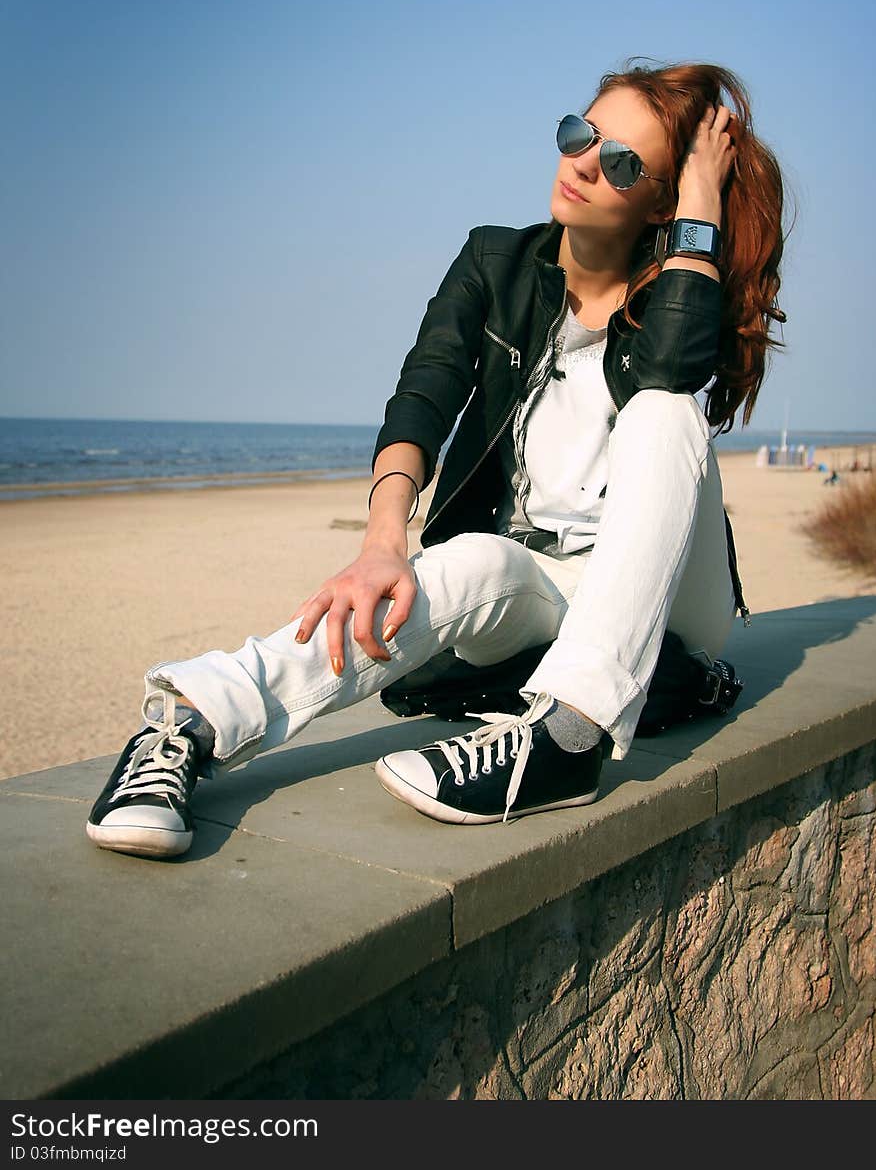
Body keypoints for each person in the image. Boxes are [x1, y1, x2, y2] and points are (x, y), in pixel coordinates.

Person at [86, 59, 787, 857]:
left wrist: (700, 204)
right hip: (542, 582)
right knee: (457, 566)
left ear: (659, 199)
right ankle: (188, 724)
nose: (584, 164)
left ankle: (568, 737)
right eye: (579, 135)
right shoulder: (494, 261)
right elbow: (425, 392)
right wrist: (384, 541)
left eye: (623, 163)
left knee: (665, 413)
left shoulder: (674, 296)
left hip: (664, 596)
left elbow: (670, 371)